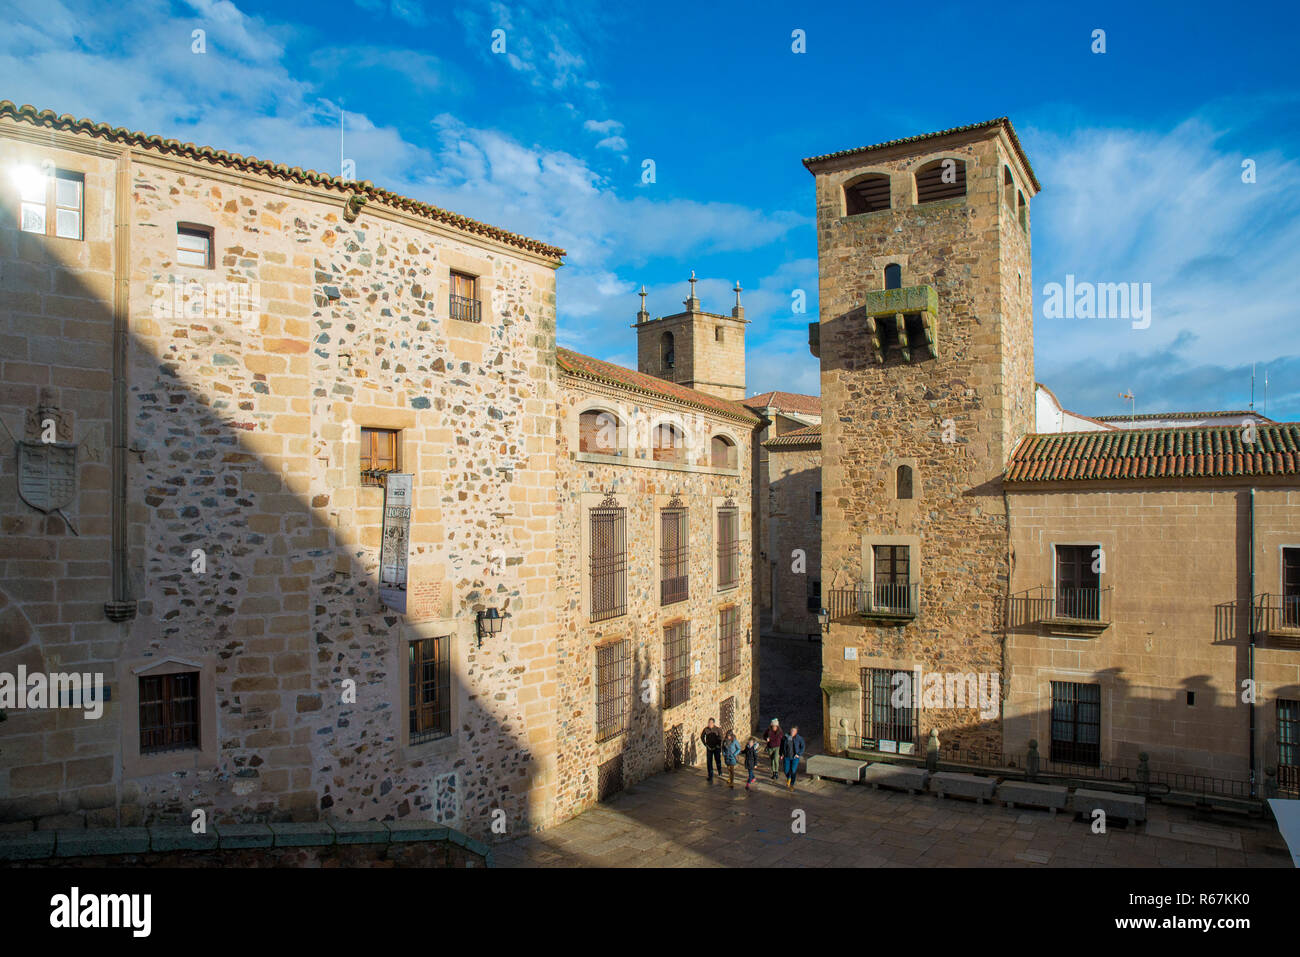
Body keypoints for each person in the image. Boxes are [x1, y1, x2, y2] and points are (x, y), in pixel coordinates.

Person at [781, 724, 806, 790]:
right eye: (792, 730)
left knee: (793, 771)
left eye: (794, 731)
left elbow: (803, 746)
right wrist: (781, 754)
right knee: (786, 771)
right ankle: (788, 777)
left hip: (795, 758)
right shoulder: (786, 737)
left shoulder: (799, 738)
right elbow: (782, 746)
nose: (792, 732)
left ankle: (792, 784)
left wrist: (799, 754)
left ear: (796, 732)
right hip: (787, 757)